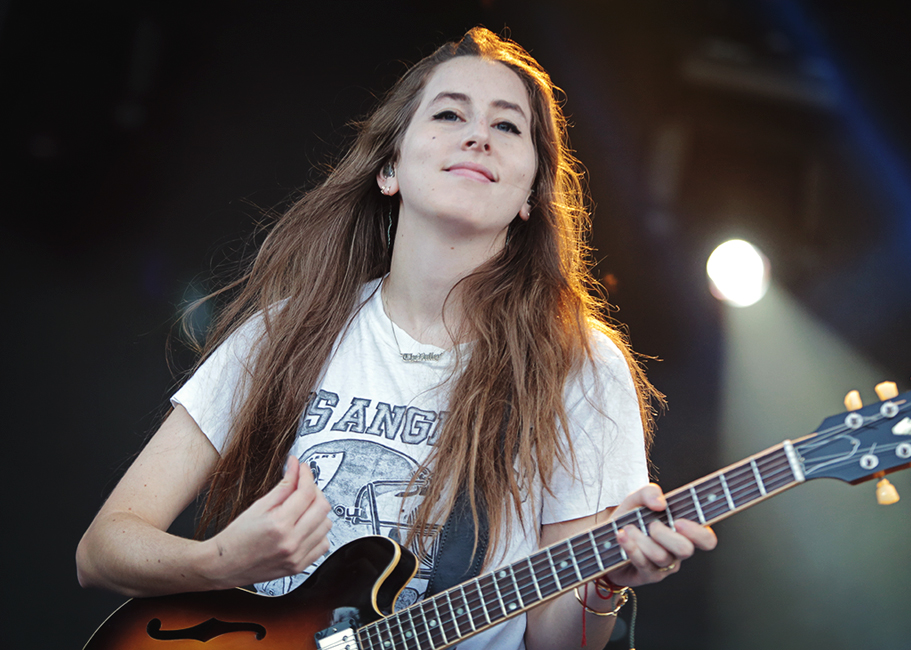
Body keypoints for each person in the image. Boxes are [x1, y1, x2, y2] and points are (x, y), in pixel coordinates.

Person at [76, 27, 717, 650]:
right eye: (449, 114)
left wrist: (603, 585)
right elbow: (102, 549)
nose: (478, 135)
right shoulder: (289, 329)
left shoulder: (578, 364)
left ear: (530, 193)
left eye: (507, 126)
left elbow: (561, 644)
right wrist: (221, 561)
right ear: (390, 168)